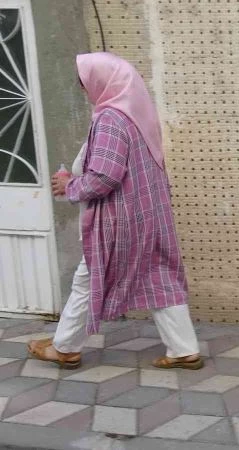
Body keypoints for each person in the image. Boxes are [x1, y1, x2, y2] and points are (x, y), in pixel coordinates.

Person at [28, 52, 203, 370]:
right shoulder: (137, 113)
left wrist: (70, 186)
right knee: (158, 274)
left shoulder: (111, 118)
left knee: (89, 278)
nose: (83, 88)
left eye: (85, 81)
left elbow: (105, 176)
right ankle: (183, 349)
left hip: (120, 218)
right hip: (148, 213)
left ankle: (65, 347)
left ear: (103, 81)